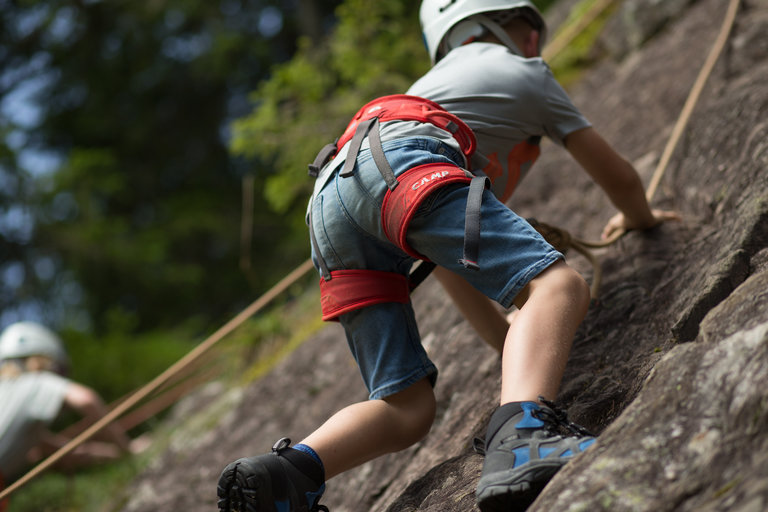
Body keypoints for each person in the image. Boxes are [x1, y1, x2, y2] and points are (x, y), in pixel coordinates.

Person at [217, 1, 679, 511]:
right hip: (401, 161)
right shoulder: (527, 72)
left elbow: (453, 262)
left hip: (330, 200)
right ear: (496, 28)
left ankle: (291, 472)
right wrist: (642, 219)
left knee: (406, 407)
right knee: (559, 286)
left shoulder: (430, 87)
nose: (536, 45)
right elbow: (616, 175)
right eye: (530, 33)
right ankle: (525, 436)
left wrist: (514, 342)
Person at [0, 322, 142, 491]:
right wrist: (128, 450)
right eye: (58, 371)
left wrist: (119, 454)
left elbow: (67, 453)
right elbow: (86, 399)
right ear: (42, 361)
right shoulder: (32, 383)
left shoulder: (12, 403)